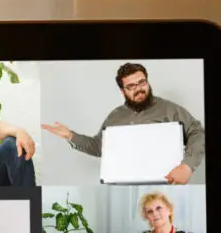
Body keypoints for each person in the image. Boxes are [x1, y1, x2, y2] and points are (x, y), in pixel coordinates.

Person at [43, 61, 204, 185]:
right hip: (123, 188)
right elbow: (99, 147)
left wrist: (187, 166)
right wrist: (70, 136)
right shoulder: (115, 117)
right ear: (122, 91)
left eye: (142, 82)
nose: (139, 89)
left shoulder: (170, 109)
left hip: (165, 185)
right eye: (131, 86)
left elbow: (197, 133)